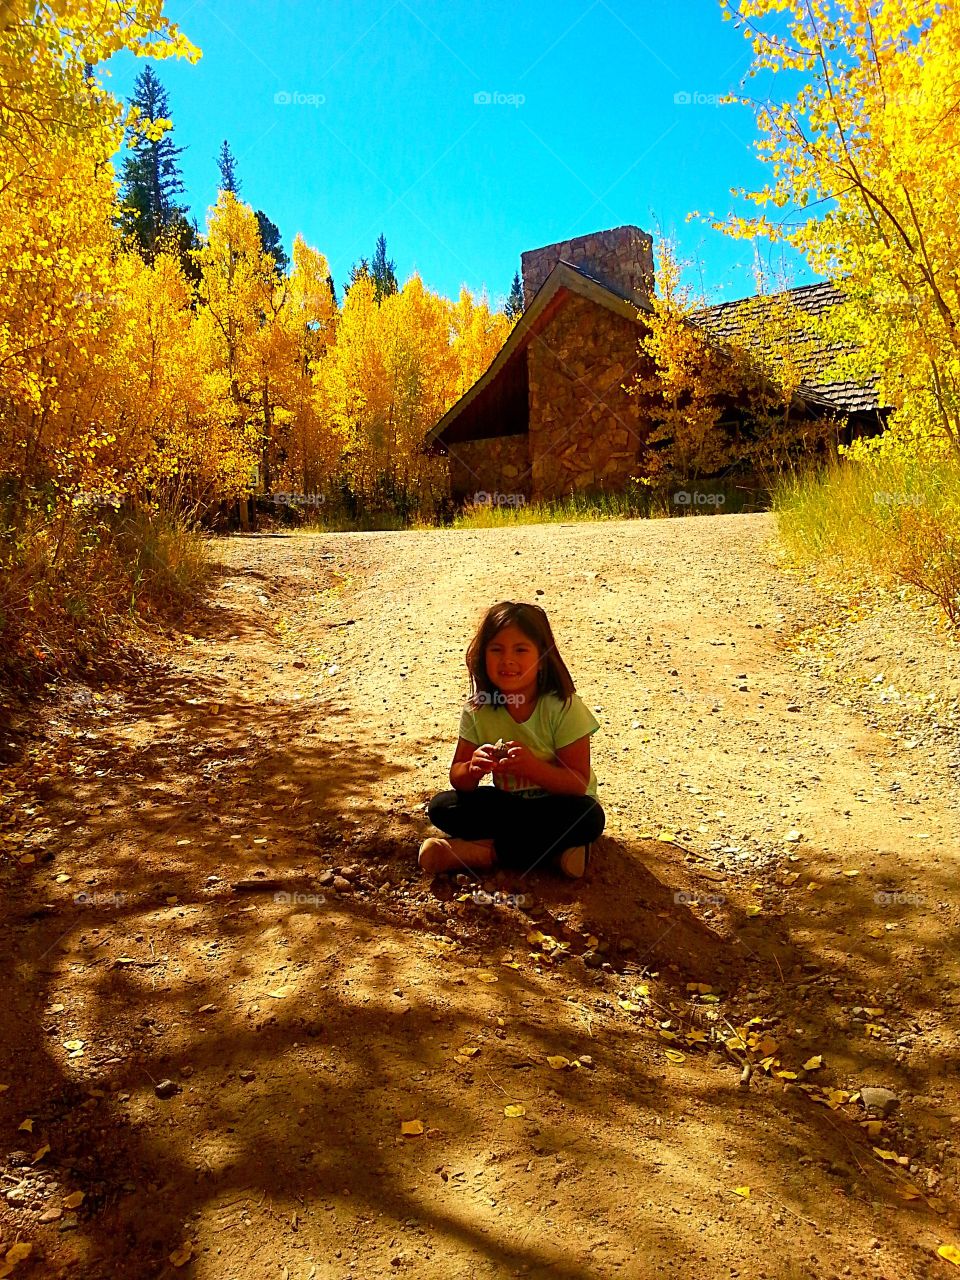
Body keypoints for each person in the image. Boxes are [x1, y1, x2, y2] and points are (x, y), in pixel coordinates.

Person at [418, 601, 605, 879]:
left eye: (520, 649)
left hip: (557, 805)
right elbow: (458, 777)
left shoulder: (563, 706)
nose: (507, 660)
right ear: (483, 656)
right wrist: (473, 767)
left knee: (588, 817)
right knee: (442, 807)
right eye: (496, 650)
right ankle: (555, 852)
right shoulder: (478, 708)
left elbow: (577, 783)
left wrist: (532, 768)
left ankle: (481, 853)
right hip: (509, 806)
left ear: (542, 658)